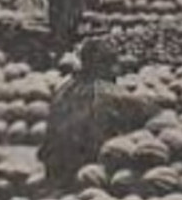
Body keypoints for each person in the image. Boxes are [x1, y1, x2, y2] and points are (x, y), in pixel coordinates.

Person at [38, 37, 159, 186]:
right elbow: (149, 112)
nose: (118, 70)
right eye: (114, 63)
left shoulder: (62, 89)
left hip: (55, 169)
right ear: (103, 65)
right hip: (86, 169)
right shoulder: (108, 92)